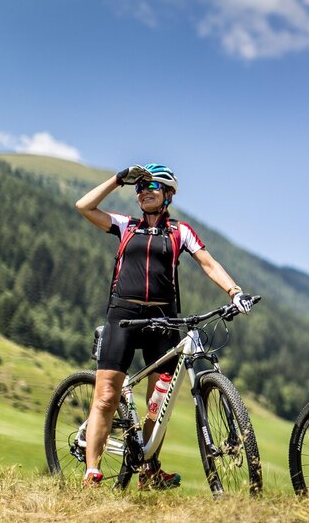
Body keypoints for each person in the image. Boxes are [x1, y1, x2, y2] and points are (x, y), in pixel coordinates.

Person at [75, 163, 254, 489]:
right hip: (123, 317)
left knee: (160, 399)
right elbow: (83, 206)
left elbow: (208, 263)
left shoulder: (180, 232)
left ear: (168, 194)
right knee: (105, 397)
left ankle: (148, 468)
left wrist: (234, 292)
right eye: (139, 187)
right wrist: (118, 179)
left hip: (163, 320)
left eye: (152, 186)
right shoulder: (125, 225)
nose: (144, 191)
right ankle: (92, 473)